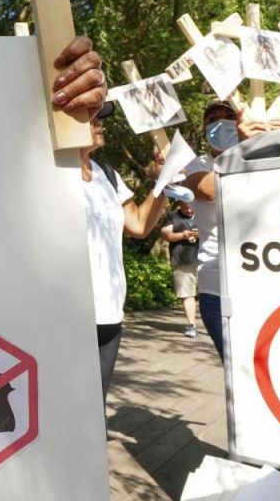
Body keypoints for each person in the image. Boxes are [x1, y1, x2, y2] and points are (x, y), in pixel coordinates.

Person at [81, 102, 169, 401]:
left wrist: (162, 181)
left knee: (95, 406)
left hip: (109, 310)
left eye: (99, 114)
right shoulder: (48, 172)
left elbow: (139, 225)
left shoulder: (107, 173)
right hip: (68, 313)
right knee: (71, 410)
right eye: (90, 115)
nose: (99, 121)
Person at [181, 99, 280, 359]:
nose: (221, 123)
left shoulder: (262, 155)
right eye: (213, 119)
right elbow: (208, 190)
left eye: (228, 116)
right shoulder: (198, 165)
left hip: (266, 277)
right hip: (218, 288)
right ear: (204, 128)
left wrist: (268, 142)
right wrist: (244, 149)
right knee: (237, 368)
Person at [160, 201, 200, 337]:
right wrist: (183, 235)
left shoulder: (203, 214)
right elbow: (166, 234)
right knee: (187, 293)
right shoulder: (172, 216)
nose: (189, 211)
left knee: (212, 293)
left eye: (191, 208)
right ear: (180, 205)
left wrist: (201, 234)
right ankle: (192, 325)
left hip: (206, 260)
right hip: (182, 260)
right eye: (186, 208)